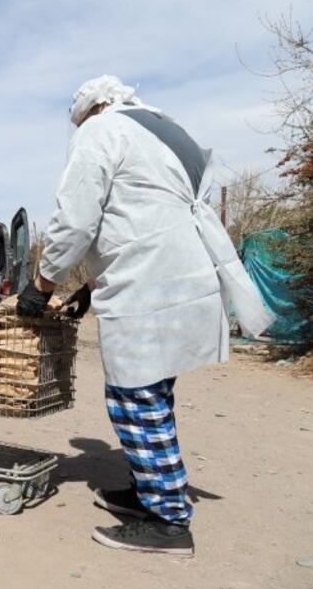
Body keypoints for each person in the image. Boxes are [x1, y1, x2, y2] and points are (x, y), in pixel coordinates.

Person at [18, 76, 273, 555]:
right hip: (179, 274)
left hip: (148, 283)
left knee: (133, 398)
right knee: (155, 393)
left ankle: (169, 521)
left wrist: (43, 285)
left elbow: (77, 218)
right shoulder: (162, 128)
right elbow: (137, 212)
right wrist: (90, 287)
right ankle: (147, 491)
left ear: (89, 111)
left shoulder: (100, 132)